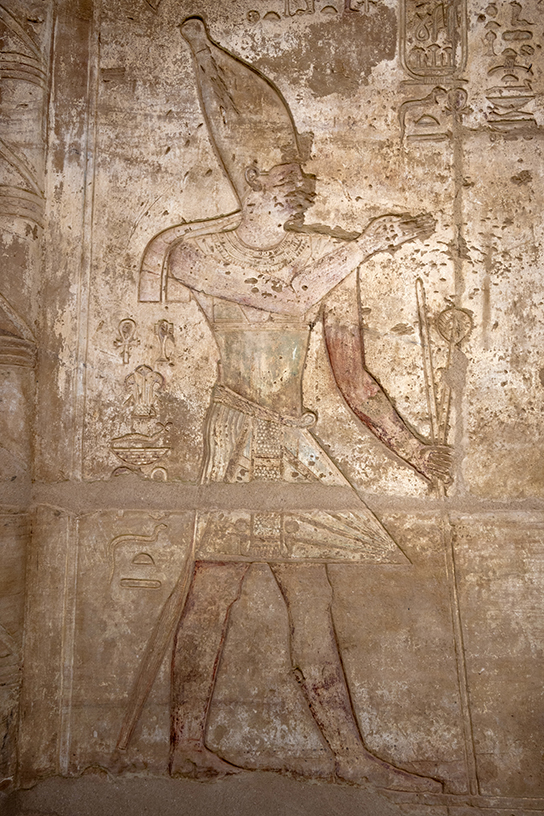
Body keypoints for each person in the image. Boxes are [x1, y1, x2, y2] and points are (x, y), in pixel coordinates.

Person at [140, 16, 451, 791]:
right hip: (239, 436)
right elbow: (276, 294)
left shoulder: (327, 257)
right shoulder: (196, 252)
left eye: (300, 178)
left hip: (290, 444)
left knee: (297, 594)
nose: (300, 190)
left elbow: (355, 381)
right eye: (282, 180)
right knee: (217, 593)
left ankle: (334, 755)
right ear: (247, 183)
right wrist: (363, 245)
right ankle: (205, 749)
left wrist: (416, 450)